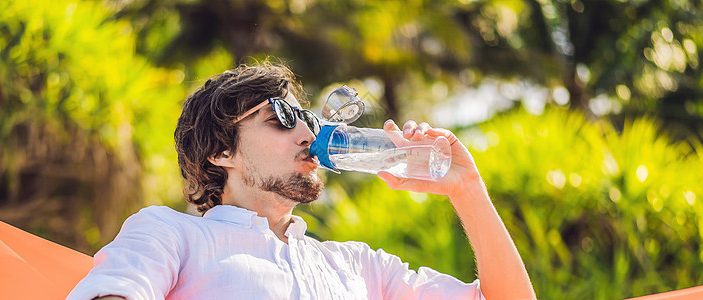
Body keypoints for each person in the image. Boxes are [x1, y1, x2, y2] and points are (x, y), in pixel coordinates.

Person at [67, 62, 535, 300]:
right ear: (221, 151)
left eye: (308, 117)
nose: (310, 132)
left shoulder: (358, 267)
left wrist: (467, 190)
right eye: (281, 119)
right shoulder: (172, 234)